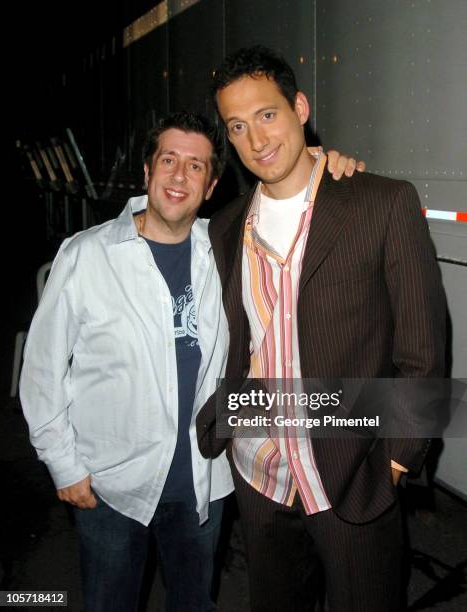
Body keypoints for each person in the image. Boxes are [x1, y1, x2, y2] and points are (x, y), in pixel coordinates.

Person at [20, 110, 361, 612]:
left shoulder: (226, 246)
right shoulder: (87, 256)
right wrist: (64, 465)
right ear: (147, 171)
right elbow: (42, 369)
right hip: (112, 483)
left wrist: (325, 169)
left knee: (193, 601)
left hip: (204, 482)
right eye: (169, 160)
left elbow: (294, 217)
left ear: (211, 184)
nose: (179, 176)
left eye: (196, 166)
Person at [197, 46, 446, 612]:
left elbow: (424, 351)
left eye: (267, 115)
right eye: (238, 126)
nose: (257, 140)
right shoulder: (227, 227)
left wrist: (398, 457)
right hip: (258, 471)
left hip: (353, 473)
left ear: (300, 108)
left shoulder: (381, 203)